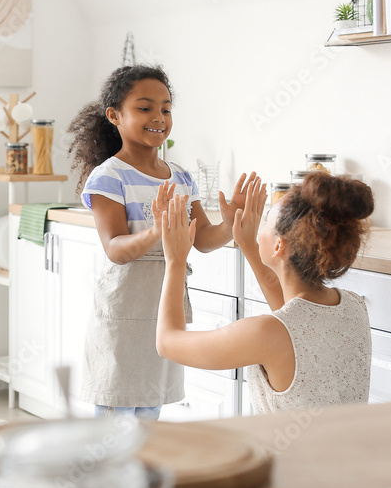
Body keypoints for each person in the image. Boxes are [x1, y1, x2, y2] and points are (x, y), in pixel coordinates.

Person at [68, 64, 254, 419]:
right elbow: (116, 249)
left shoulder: (181, 177)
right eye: (144, 108)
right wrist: (156, 231)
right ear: (115, 116)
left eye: (166, 109)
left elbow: (202, 239)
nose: (159, 117)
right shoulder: (109, 176)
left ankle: (143, 475)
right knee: (116, 417)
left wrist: (232, 225)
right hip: (125, 312)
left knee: (150, 416)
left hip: (164, 312)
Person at [156, 172, 375, 414]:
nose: (259, 226)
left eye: (266, 220)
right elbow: (294, 317)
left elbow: (167, 342)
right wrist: (248, 243)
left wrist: (176, 260)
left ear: (279, 245)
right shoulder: (354, 306)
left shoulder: (266, 333)